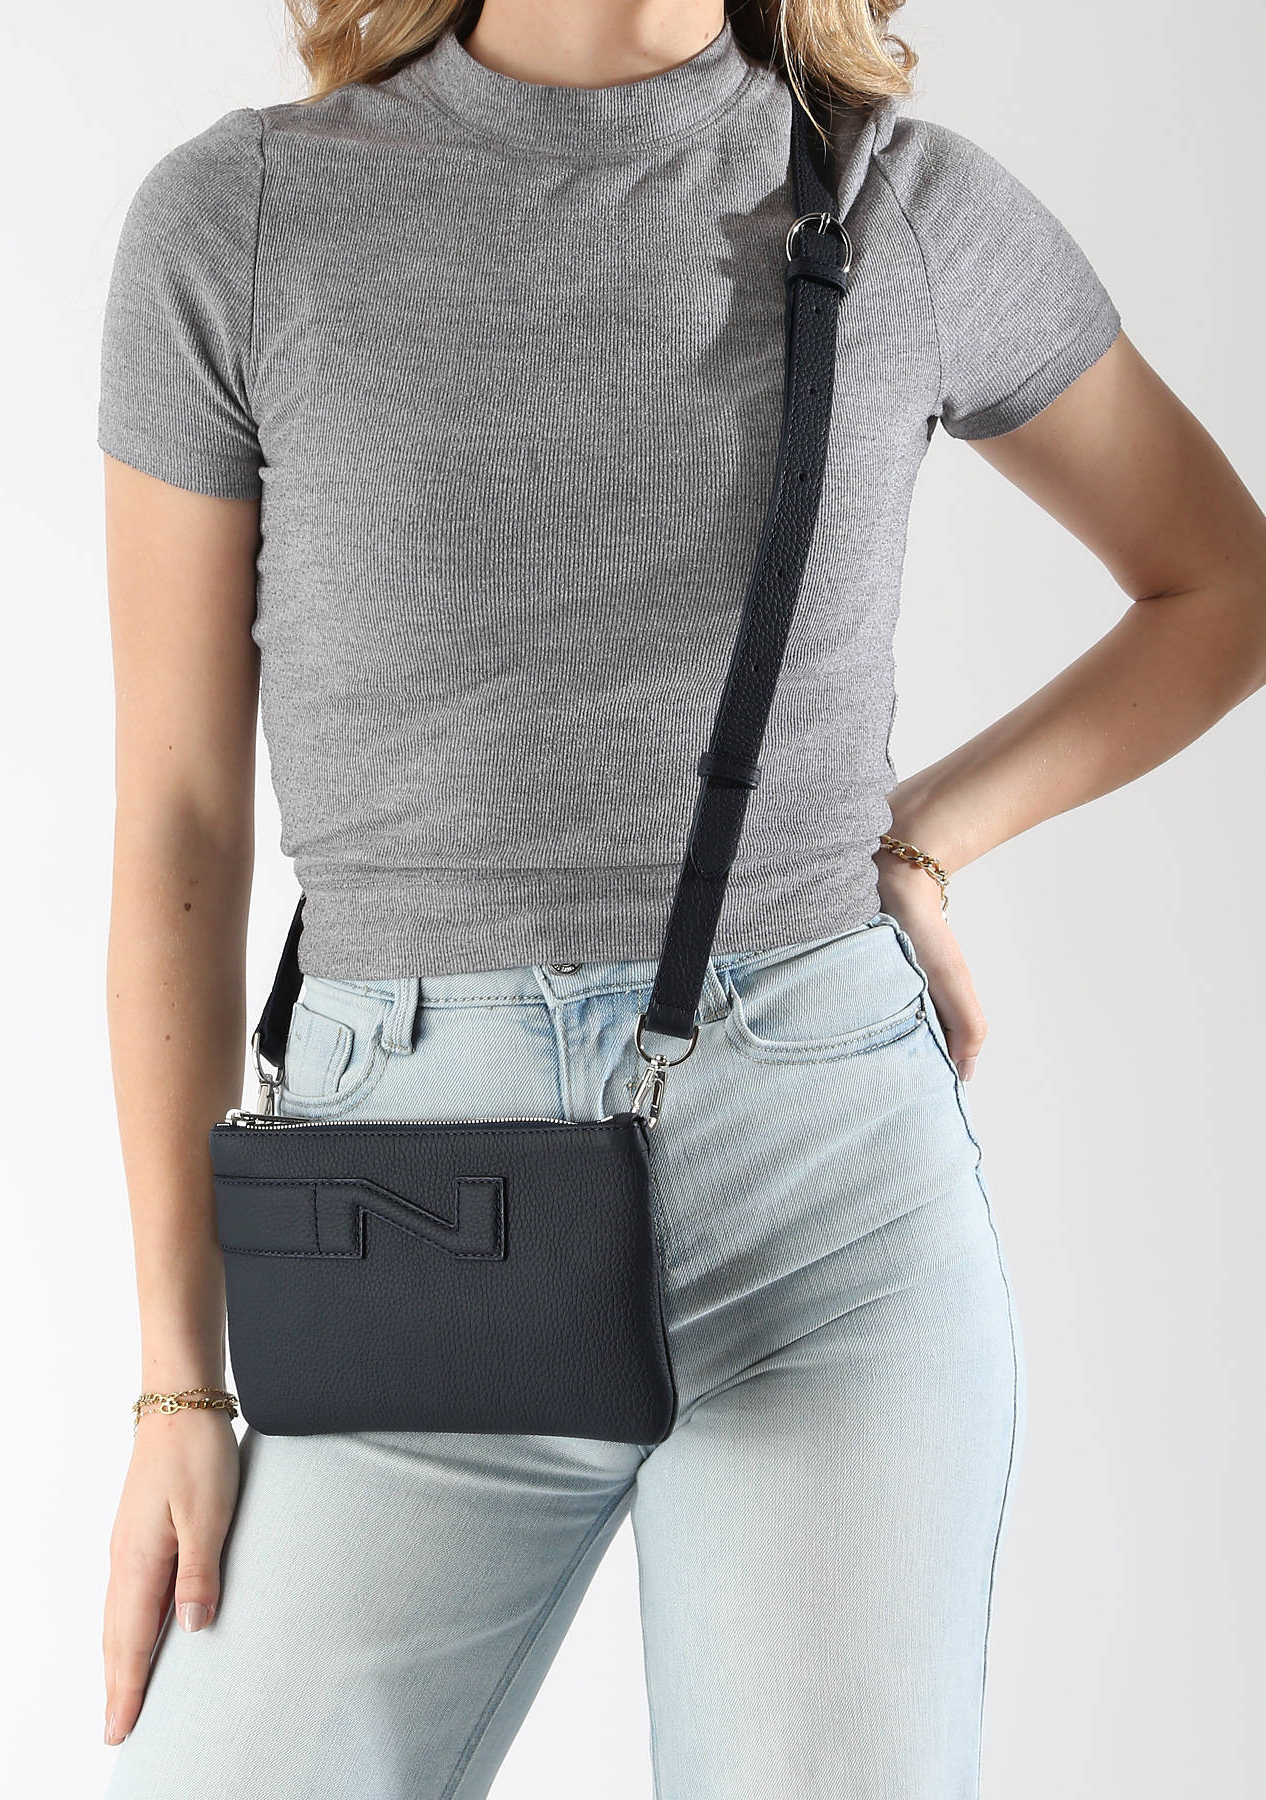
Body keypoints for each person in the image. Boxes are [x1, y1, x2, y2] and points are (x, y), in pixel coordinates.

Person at [96, 1, 1266, 1794]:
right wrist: (181, 1381)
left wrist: (924, 837)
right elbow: (180, 826)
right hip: (406, 1224)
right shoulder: (242, 220)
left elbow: (1220, 583)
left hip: (824, 1214)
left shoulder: (896, 203)